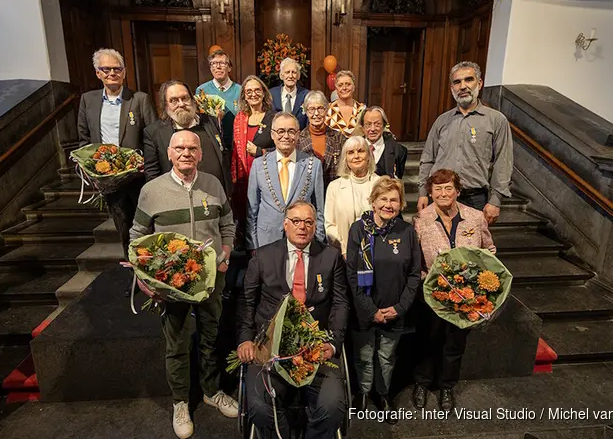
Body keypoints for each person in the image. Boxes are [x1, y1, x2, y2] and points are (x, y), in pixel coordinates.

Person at [129, 130, 238, 439]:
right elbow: (137, 234)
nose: (186, 152)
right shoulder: (152, 191)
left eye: (192, 147)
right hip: (171, 283)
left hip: (210, 279)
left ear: (200, 154)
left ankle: (211, 391)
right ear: (169, 152)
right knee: (176, 343)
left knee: (210, 337)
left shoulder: (213, 185)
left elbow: (228, 224)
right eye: (180, 147)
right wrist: (143, 275)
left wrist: (226, 252)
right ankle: (180, 402)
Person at [237, 201, 349, 439]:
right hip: (268, 347)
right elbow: (247, 302)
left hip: (316, 349)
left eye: (309, 222)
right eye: (296, 221)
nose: (302, 227)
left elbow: (340, 304)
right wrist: (245, 339)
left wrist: (333, 344)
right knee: (260, 408)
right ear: (285, 225)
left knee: (332, 407)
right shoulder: (263, 256)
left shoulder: (330, 257)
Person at [413, 169, 495, 412]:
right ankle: (422, 383)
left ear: (458, 191)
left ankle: (447, 386)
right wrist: (428, 282)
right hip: (433, 293)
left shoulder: (475, 217)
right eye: (437, 189)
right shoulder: (421, 220)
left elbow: (489, 248)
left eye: (449, 188)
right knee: (428, 339)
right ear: (430, 192)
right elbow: (415, 262)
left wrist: (479, 281)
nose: (443, 193)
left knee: (454, 342)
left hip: (466, 296)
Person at [345, 176, 421, 422]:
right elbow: (352, 275)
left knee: (387, 357)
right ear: (374, 201)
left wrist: (399, 308)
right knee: (364, 356)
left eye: (394, 200)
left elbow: (413, 275)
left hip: (394, 311)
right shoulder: (358, 229)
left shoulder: (407, 231)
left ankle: (383, 394)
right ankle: (364, 393)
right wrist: (370, 310)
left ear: (400, 205)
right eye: (383, 199)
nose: (389, 204)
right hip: (364, 310)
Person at [77, 48, 158, 255]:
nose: (112, 73)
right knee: (122, 225)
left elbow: (153, 136)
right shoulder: (88, 100)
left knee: (145, 225)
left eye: (117, 68)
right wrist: (90, 168)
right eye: (106, 69)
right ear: (98, 73)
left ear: (124, 72)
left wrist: (147, 169)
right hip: (109, 179)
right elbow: (84, 138)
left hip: (138, 177)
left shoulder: (139, 99)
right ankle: (131, 264)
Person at [417, 61, 513, 224]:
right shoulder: (442, 121)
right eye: (457, 82)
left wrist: (495, 200)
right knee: (437, 248)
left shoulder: (496, 120)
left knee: (471, 248)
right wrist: (422, 193)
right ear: (452, 88)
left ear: (480, 83)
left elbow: (503, 162)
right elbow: (427, 158)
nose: (462, 86)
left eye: (468, 80)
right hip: (440, 197)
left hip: (474, 199)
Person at [246, 112, 325, 250]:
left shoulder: (314, 165)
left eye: (291, 131)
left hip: (302, 242)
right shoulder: (258, 165)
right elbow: (252, 211)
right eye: (281, 131)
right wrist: (253, 246)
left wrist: (317, 241)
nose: (286, 136)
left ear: (298, 134)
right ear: (272, 134)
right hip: (267, 241)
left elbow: (319, 210)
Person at [143, 80, 229, 195]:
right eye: (174, 100)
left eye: (185, 98)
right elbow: (152, 174)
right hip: (179, 202)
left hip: (216, 196)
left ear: (193, 100)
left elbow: (224, 156)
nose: (181, 104)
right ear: (165, 105)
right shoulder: (154, 133)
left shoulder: (211, 122)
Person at [232, 75, 276, 247]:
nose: (253, 94)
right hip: (244, 177)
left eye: (257, 90)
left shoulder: (273, 118)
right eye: (248, 91)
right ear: (244, 95)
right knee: (245, 217)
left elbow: (283, 150)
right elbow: (235, 152)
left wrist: (259, 151)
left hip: (266, 176)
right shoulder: (240, 119)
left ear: (264, 93)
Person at [324, 136, 379, 257]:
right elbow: (329, 226)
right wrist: (345, 249)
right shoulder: (334, 187)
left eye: (360, 151)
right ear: (345, 158)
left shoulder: (380, 184)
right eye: (350, 152)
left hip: (376, 253)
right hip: (342, 254)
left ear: (369, 156)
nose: (356, 156)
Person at [296, 90, 344, 187]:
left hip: (333, 191)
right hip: (307, 193)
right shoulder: (298, 140)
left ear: (326, 111)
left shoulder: (339, 138)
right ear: (306, 111)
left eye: (320, 108)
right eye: (311, 109)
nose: (316, 113)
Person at [195, 49, 242, 149]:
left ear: (229, 67)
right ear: (210, 68)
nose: (218, 67)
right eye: (213, 63)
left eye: (222, 63)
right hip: (211, 144)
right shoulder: (202, 90)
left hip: (235, 144)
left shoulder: (240, 90)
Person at [355, 106, 408, 179]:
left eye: (377, 124)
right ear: (362, 127)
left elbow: (397, 181)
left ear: (384, 125)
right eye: (368, 124)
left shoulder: (398, 151)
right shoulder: (354, 148)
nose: (372, 129)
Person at [269, 57, 309, 129]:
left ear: (298, 76)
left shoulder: (306, 95)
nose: (290, 76)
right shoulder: (271, 95)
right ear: (281, 75)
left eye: (293, 72)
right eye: (287, 72)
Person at [325, 70, 365, 139]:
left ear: (353, 87)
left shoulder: (362, 110)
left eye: (348, 84)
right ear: (336, 88)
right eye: (340, 85)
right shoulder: (327, 110)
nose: (344, 88)